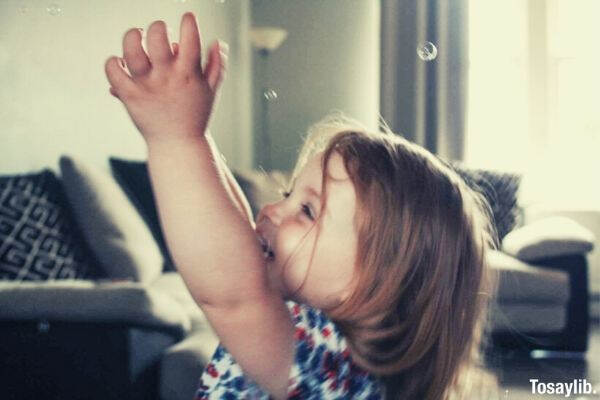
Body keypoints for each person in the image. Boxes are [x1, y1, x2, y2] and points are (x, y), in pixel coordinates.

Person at [105, 12, 498, 399]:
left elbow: (233, 292)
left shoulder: (333, 368)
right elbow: (241, 251)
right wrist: (199, 134)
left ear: (381, 280)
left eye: (308, 210)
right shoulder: (328, 358)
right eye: (287, 195)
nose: (270, 212)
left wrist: (175, 136)